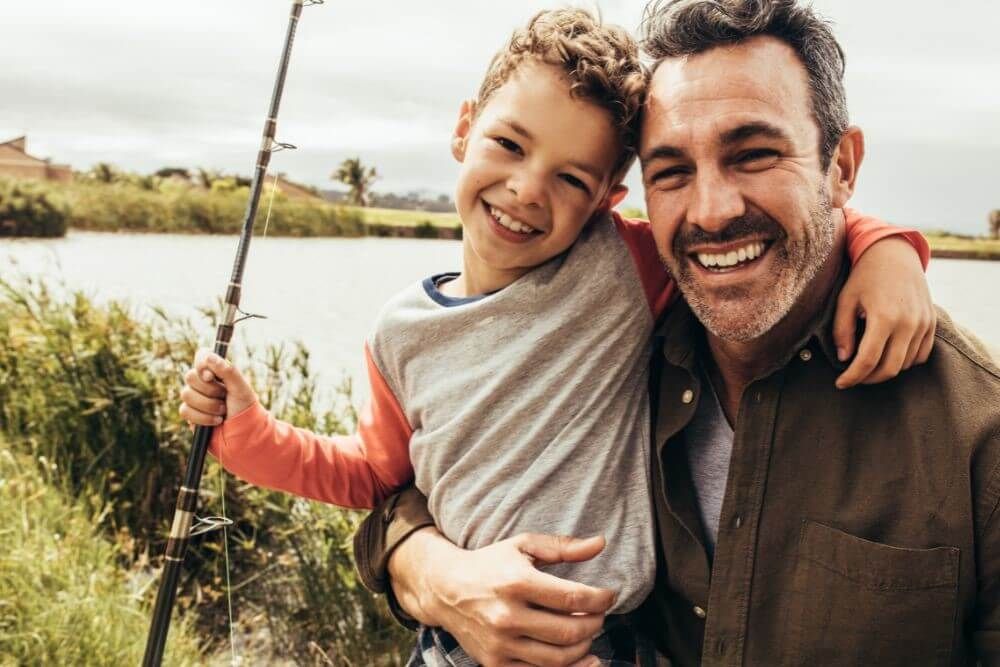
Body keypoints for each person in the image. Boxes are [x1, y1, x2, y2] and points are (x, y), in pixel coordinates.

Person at [179, 7, 936, 666]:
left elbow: (751, 233)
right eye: (509, 144)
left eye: (572, 179)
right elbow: (373, 478)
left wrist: (887, 250)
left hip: (611, 637)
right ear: (463, 126)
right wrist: (247, 434)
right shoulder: (399, 335)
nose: (527, 189)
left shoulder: (624, 267)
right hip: (457, 641)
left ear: (607, 198)